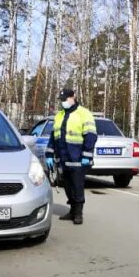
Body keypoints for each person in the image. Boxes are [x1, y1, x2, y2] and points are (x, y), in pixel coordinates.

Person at [45, 88, 97, 225]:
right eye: (61, 100)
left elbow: (91, 136)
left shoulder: (84, 114)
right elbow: (54, 136)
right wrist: (49, 154)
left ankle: (78, 213)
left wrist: (87, 154)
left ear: (73, 97)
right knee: (67, 186)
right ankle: (72, 211)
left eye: (65, 99)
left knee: (77, 186)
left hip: (78, 158)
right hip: (63, 159)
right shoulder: (59, 115)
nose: (63, 102)